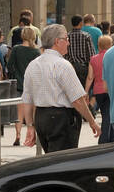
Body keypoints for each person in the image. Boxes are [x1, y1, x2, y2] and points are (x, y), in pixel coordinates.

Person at [19, 24, 101, 153]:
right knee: (63, 163)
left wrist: (30, 125)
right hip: (61, 118)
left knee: (51, 160)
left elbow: (27, 100)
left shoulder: (33, 64)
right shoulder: (62, 65)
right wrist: (91, 121)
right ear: (57, 41)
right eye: (66, 39)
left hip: (41, 117)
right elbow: (77, 100)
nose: (68, 43)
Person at [6, 25, 41, 146]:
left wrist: (15, 73)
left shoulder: (16, 49)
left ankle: (18, 135)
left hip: (19, 83)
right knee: (33, 111)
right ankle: (33, 135)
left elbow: (9, 66)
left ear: (22, 36)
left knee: (19, 113)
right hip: (33, 85)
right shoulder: (37, 51)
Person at [85, 34, 114, 144]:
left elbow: (90, 77)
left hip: (98, 91)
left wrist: (86, 91)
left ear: (99, 46)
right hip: (111, 89)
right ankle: (104, 140)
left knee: (105, 114)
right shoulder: (112, 57)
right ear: (110, 45)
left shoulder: (93, 59)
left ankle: (111, 138)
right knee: (109, 115)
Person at [64, 14, 95, 87]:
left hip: (71, 67)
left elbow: (65, 54)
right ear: (81, 23)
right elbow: (91, 54)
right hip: (84, 67)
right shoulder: (86, 36)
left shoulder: (67, 36)